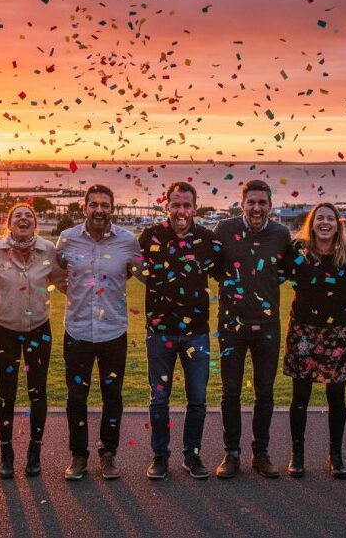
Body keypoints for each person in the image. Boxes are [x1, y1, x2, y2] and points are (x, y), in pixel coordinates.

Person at [56, 184, 142, 480]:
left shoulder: (128, 241)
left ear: (112, 210)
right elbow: (57, 275)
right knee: (76, 397)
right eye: (93, 204)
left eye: (105, 205)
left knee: (112, 396)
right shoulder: (67, 239)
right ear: (84, 209)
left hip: (113, 331)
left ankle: (108, 454)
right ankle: (78, 456)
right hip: (77, 329)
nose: (99, 210)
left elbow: (140, 273)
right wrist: (76, 295)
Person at [138, 182, 221, 480]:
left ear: (195, 208)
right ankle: (160, 456)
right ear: (167, 206)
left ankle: (192, 455)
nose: (181, 211)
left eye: (187, 205)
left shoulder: (208, 240)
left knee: (197, 398)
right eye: (176, 204)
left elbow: (222, 271)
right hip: (159, 333)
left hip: (196, 333)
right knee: (159, 399)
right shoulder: (150, 236)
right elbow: (137, 269)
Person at [211, 179, 292, 479]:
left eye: (262, 203)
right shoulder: (223, 230)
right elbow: (215, 269)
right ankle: (231, 453)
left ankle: (261, 453)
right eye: (251, 202)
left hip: (267, 325)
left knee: (265, 392)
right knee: (230, 391)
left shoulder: (282, 234)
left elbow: (284, 271)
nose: (256, 208)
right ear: (242, 204)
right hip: (231, 325)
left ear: (270, 205)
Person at [0, 203, 65, 479]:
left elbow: (62, 281)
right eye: (18, 216)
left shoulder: (48, 250)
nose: (24, 218)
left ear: (36, 223)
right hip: (4, 329)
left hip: (39, 330)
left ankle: (34, 453)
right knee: (6, 393)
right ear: (9, 222)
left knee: (37, 392)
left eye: (29, 216)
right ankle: (6, 453)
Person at [283, 202, 346, 479]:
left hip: (338, 333)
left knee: (336, 396)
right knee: (300, 396)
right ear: (311, 223)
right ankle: (297, 453)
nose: (324, 223)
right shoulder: (297, 252)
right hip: (304, 332)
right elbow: (274, 275)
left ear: (338, 223)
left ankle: (335, 455)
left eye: (330, 218)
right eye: (319, 218)